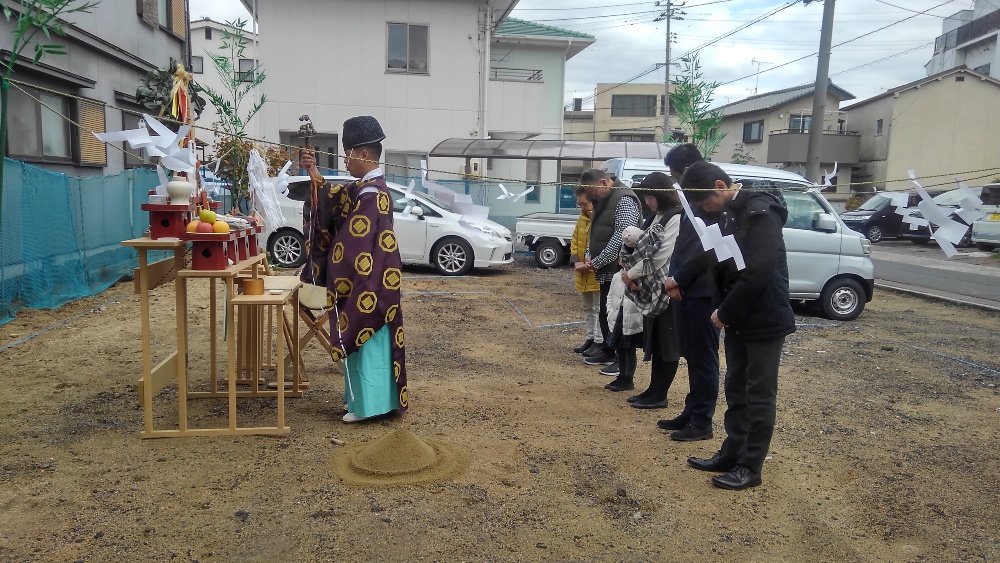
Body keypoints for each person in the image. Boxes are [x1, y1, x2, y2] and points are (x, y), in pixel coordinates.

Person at [679, 161, 795, 491]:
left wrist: (724, 312)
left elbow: (759, 269)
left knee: (758, 394)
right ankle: (731, 452)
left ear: (719, 185)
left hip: (764, 316)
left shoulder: (761, 210)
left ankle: (751, 465)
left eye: (706, 203)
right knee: (736, 388)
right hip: (739, 315)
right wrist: (684, 280)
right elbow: (714, 255)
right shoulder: (731, 210)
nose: (706, 210)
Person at [300, 116, 408, 423]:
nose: (345, 160)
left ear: (362, 154)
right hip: (370, 282)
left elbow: (352, 244)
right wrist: (312, 171)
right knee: (369, 349)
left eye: (347, 153)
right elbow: (330, 201)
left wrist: (331, 269)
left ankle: (369, 408)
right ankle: (365, 404)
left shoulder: (372, 193)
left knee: (369, 346)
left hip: (370, 285)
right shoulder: (364, 188)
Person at [659, 143, 721, 441]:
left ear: (687, 169)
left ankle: (702, 421)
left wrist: (678, 279)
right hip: (687, 288)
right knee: (692, 355)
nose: (675, 181)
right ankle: (691, 410)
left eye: (675, 173)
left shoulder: (708, 199)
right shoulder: (690, 200)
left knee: (704, 356)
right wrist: (674, 276)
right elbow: (682, 244)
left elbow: (705, 250)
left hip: (705, 290)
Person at [621, 172, 683, 409]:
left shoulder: (674, 217)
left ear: (661, 194)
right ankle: (653, 390)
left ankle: (660, 394)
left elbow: (660, 256)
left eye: (650, 196)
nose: (647, 201)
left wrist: (631, 274)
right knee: (655, 343)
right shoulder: (656, 216)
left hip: (666, 290)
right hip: (651, 288)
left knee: (667, 345)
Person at [576, 168, 642, 373]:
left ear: (603, 183)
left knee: (619, 314)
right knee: (607, 310)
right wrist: (589, 254)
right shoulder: (603, 201)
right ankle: (607, 350)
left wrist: (597, 260)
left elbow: (622, 237)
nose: (591, 196)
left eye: (592, 191)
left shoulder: (623, 200)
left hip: (619, 269)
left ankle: (620, 361)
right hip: (604, 268)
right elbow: (595, 232)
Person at [569, 187, 603, 356]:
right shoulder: (582, 219)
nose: (582, 207)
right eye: (580, 204)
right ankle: (590, 338)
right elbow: (574, 240)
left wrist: (589, 264)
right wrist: (576, 261)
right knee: (587, 306)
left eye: (584, 203)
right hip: (582, 270)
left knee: (598, 307)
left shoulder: (599, 219)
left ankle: (599, 340)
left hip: (594, 270)